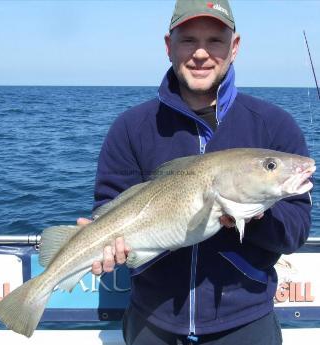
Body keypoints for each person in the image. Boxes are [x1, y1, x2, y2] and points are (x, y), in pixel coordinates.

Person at [78, 1, 312, 344]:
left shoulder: (274, 126)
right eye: (188, 40)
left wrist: (256, 215)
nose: (201, 53)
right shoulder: (131, 127)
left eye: (215, 40)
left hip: (245, 324)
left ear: (234, 47)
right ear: (168, 46)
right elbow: (110, 205)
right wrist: (104, 241)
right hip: (151, 321)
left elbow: (296, 233)